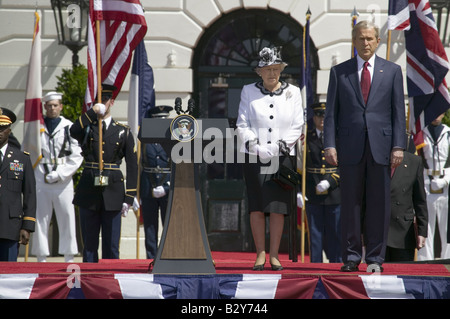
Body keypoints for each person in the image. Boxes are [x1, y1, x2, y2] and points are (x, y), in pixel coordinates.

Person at [323, 21, 406, 272]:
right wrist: (329, 145)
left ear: (378, 41)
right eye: (361, 38)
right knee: (350, 204)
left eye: (370, 38)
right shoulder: (339, 72)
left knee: (379, 205)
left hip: (382, 147)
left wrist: (398, 146)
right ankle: (350, 257)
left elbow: (398, 113)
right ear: (354, 40)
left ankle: (375, 259)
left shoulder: (392, 71)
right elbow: (330, 114)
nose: (366, 43)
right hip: (349, 147)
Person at [237, 47, 304, 270]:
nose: (272, 73)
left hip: (282, 157)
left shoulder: (293, 92)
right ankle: (260, 254)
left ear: (281, 70)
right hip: (254, 156)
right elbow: (242, 124)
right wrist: (256, 146)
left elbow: (298, 124)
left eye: (276, 69)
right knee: (257, 206)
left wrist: (278, 147)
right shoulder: (248, 91)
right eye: (267, 69)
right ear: (259, 72)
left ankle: (274, 254)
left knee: (277, 207)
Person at [70, 84, 138, 262]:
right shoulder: (87, 127)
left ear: (112, 102)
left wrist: (129, 197)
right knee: (89, 246)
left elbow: (132, 166)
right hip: (89, 190)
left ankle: (110, 281)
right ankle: (89, 281)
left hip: (114, 191)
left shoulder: (123, 131)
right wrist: (92, 113)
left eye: (105, 100)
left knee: (111, 245)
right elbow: (73, 130)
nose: (102, 103)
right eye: (98, 101)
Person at [31, 92, 83, 262]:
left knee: (67, 217)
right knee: (40, 218)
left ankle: (69, 255)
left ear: (61, 106)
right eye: (49, 105)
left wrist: (61, 174)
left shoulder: (69, 126)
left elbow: (77, 155)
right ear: (44, 107)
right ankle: (41, 255)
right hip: (41, 178)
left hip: (63, 180)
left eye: (55, 105)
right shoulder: (36, 127)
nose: (52, 108)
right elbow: (30, 150)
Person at [304, 103, 341, 263]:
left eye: (325, 116)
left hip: (335, 193)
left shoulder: (338, 137)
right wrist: (301, 190)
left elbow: (345, 165)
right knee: (315, 234)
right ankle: (315, 267)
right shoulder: (307, 137)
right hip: (313, 192)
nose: (322, 119)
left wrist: (330, 182)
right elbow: (302, 166)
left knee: (335, 234)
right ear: (314, 117)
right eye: (319, 115)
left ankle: (336, 266)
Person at [0, 107, 36, 261]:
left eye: (3, 128)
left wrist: (27, 226)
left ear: (9, 130)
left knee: (8, 277)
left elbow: (29, 194)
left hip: (10, 226)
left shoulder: (22, 159)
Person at [386, 136, 427, 262]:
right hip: (378, 234)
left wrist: (422, 231)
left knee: (403, 277)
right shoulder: (374, 159)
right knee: (376, 278)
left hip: (403, 234)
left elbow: (420, 200)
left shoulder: (414, 162)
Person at [140, 105, 172, 259]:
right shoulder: (145, 139)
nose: (160, 122)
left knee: (169, 226)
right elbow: (139, 164)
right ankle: (151, 258)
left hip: (168, 187)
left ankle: (167, 256)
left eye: (163, 119)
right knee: (150, 228)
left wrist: (167, 186)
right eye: (157, 119)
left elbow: (179, 165)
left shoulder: (174, 139)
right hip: (148, 186)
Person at [417, 113, 450, 261]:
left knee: (446, 227)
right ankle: (426, 260)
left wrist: (446, 180)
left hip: (446, 185)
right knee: (426, 226)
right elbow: (416, 159)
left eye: (440, 111)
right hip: (426, 182)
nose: (436, 115)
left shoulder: (448, 133)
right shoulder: (420, 134)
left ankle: (447, 258)